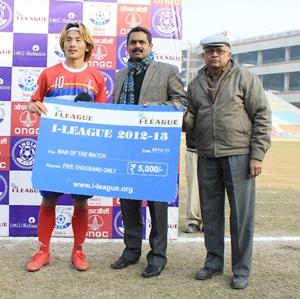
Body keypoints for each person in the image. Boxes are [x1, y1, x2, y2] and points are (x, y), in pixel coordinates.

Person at [187, 34, 272, 289]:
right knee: (211, 215)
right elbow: (191, 119)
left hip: (239, 154)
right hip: (207, 156)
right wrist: (177, 116)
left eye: (219, 50)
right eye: (209, 51)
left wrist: (257, 154)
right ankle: (213, 263)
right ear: (203, 55)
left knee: (241, 217)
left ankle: (241, 269)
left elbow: (262, 115)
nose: (214, 55)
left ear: (229, 53)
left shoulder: (245, 78)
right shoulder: (195, 83)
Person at [26, 23, 107, 272]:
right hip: (54, 149)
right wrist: (32, 106)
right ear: (63, 44)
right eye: (68, 39)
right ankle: (43, 251)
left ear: (87, 45)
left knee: (81, 203)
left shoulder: (97, 77)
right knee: (48, 199)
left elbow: (104, 115)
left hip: (83, 150)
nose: (72, 44)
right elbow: (33, 102)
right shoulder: (48, 74)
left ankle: (78, 251)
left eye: (78, 40)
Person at [111, 26, 187, 278]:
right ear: (127, 47)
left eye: (142, 42)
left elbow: (182, 104)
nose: (137, 46)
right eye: (132, 42)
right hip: (126, 149)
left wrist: (157, 108)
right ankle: (131, 251)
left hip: (155, 151)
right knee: (129, 202)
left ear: (150, 46)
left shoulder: (168, 71)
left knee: (157, 205)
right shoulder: (121, 75)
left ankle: (157, 256)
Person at [183, 129, 203, 233]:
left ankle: (209, 219)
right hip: (193, 147)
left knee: (213, 187)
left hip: (215, 147)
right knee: (193, 186)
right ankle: (193, 220)